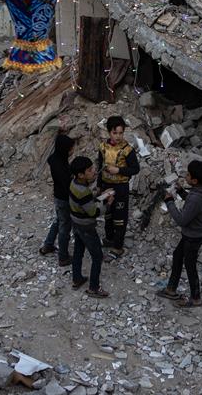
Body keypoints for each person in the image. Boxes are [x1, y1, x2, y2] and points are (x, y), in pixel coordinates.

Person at [156, 160, 202, 308]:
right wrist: (181, 192)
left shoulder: (196, 198)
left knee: (189, 264)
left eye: (188, 175)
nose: (185, 176)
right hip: (196, 233)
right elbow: (194, 206)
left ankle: (196, 298)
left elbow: (182, 220)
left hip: (193, 236)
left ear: (194, 180)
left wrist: (169, 202)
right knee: (177, 256)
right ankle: (171, 289)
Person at [68, 156, 113, 298]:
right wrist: (108, 204)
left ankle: (77, 279)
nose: (94, 171)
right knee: (97, 256)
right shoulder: (83, 191)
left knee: (78, 251)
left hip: (76, 223)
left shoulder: (74, 183)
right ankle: (94, 288)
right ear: (81, 174)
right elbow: (93, 212)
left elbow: (84, 202)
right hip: (86, 227)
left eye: (93, 168)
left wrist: (98, 195)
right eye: (89, 170)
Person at [96, 116, 140, 257]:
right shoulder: (103, 147)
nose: (118, 136)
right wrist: (99, 186)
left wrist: (119, 170)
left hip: (121, 188)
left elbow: (135, 169)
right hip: (106, 186)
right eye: (115, 133)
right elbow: (99, 167)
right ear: (109, 132)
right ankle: (109, 239)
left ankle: (118, 247)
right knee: (108, 214)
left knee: (119, 218)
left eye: (121, 133)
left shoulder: (128, 150)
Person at [39, 134, 76, 265]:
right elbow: (67, 184)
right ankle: (63, 257)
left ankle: (48, 245)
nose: (72, 151)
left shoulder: (55, 159)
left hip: (58, 196)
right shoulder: (61, 165)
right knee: (65, 227)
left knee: (58, 220)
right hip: (64, 198)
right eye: (70, 148)